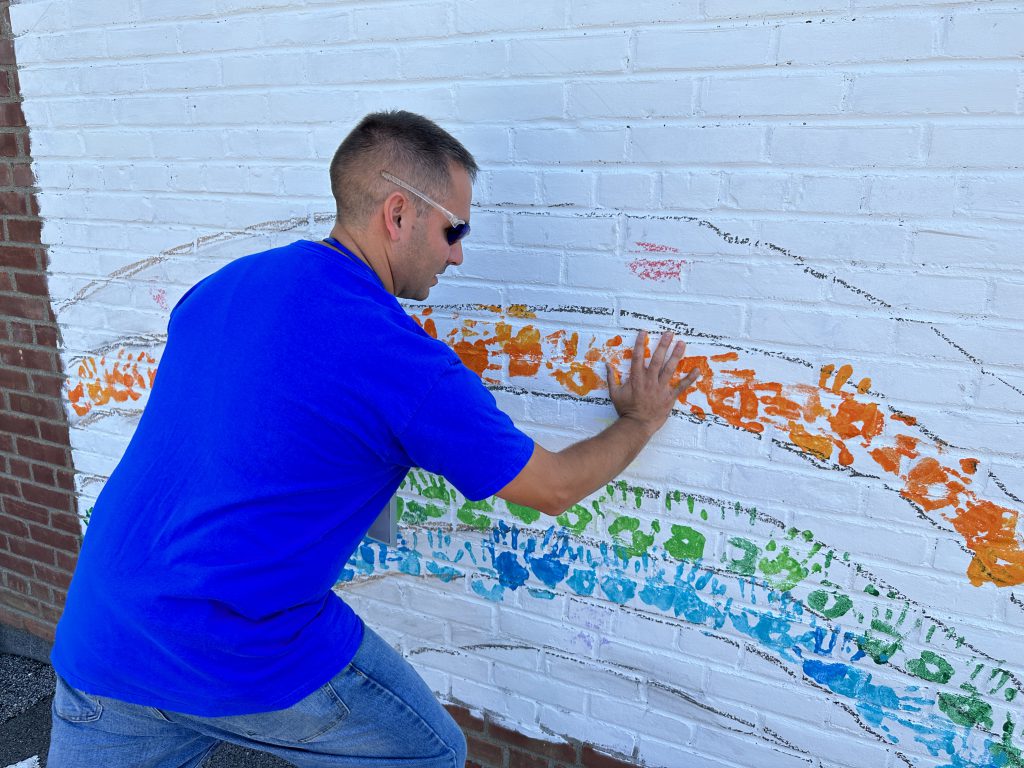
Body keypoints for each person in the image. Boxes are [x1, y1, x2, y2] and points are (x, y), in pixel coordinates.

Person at [47, 111, 698, 768]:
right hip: (241, 650)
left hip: (103, 632)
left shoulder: (221, 289)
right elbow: (552, 488)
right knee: (433, 753)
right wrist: (640, 421)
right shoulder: (401, 363)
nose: (458, 253)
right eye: (454, 229)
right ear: (398, 214)